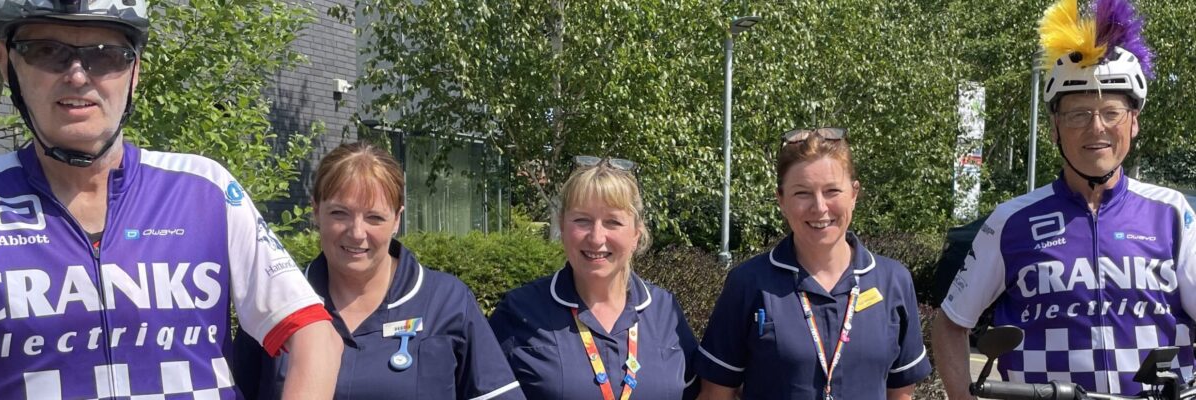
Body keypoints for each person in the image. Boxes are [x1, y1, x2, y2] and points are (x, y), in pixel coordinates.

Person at [0, 0, 342, 398]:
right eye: (46, 51)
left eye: (105, 57)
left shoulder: (202, 190)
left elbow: (314, 334)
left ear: (135, 71)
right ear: (6, 65)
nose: (76, 75)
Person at [932, 0, 1196, 396]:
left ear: (1134, 122)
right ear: (1055, 129)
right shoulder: (1011, 222)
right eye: (1078, 114)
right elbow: (950, 324)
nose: (1097, 128)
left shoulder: (1171, 213)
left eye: (1112, 112)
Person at [232, 143, 525, 400]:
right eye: (339, 213)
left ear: (397, 219)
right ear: (315, 211)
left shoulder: (447, 302)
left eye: (374, 217)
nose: (357, 233)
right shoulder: (276, 303)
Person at [695, 128, 932, 400]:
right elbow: (715, 393)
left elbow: (901, 394)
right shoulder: (749, 283)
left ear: (854, 194)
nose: (819, 207)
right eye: (802, 193)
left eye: (832, 191)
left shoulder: (893, 281)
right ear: (781, 200)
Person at [489, 156, 700, 399]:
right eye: (582, 220)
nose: (597, 237)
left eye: (613, 222)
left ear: (636, 234)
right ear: (562, 227)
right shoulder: (519, 311)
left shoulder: (665, 312)